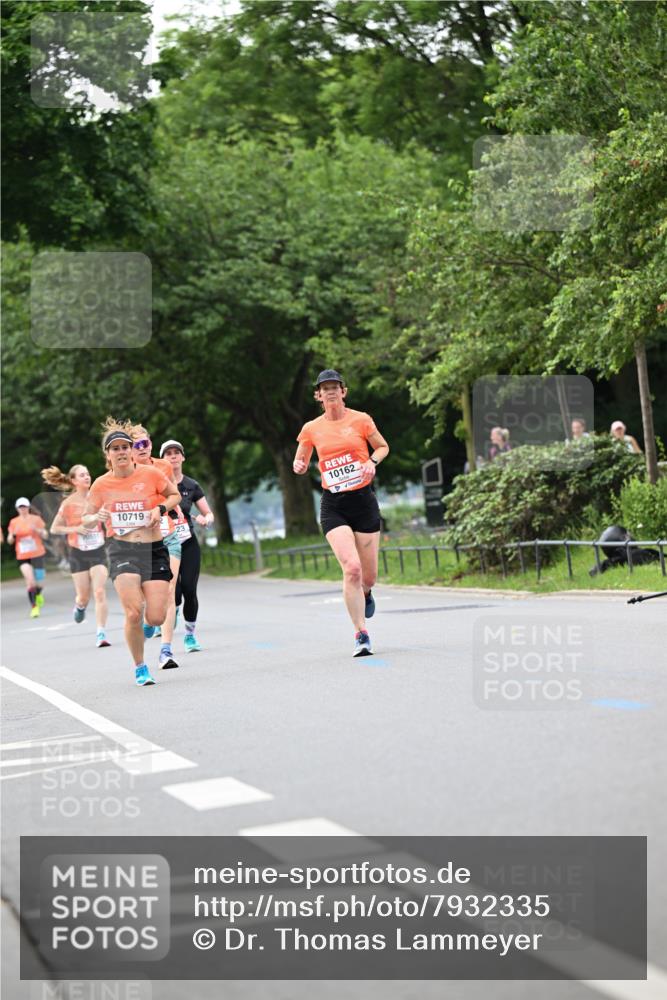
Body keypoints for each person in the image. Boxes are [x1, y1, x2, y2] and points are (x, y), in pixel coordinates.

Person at [293, 369, 389, 656]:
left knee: (368, 578)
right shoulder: (311, 428)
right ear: (318, 395)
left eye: (335, 387)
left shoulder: (361, 419)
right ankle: (361, 633)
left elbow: (383, 447)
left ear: (343, 392)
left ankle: (367, 594)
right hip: (334, 504)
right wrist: (298, 466)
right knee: (352, 568)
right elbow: (300, 459)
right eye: (325, 388)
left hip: (364, 501)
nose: (331, 391)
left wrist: (372, 461)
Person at [82, 422, 180, 686]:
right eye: (116, 449)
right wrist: (96, 516)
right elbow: (86, 519)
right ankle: (140, 667)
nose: (122, 452)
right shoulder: (102, 484)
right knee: (134, 612)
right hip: (122, 548)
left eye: (126, 447)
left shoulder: (150, 474)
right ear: (108, 455)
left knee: (156, 616)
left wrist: (159, 509)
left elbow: (174, 496)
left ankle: (148, 628)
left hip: (154, 548)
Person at [129, 423, 182, 670]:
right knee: (145, 599)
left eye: (146, 443)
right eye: (137, 445)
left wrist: (170, 512)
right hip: (140, 540)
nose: (142, 448)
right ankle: (151, 622)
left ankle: (166, 651)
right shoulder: (124, 471)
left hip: (167, 533)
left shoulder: (162, 466)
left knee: (170, 589)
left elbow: (172, 495)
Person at [42, 464, 111, 647]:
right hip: (78, 553)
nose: (87, 477)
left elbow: (107, 518)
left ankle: (101, 633)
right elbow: (55, 528)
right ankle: (80, 606)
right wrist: (76, 528)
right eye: (82, 475)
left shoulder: (98, 498)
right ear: (73, 481)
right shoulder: (68, 504)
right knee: (83, 596)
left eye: (88, 474)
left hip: (98, 550)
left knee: (99, 591)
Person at [160, 439, 215, 652]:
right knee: (173, 591)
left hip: (188, 542)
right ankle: (170, 614)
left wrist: (206, 519)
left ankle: (190, 635)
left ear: (183, 457)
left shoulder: (191, 485)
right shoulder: (159, 485)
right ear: (162, 459)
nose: (173, 456)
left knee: (189, 589)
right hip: (165, 543)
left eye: (176, 453)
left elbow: (207, 512)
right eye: (168, 453)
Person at [7, 498, 48, 618]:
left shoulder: (36, 519)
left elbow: (45, 534)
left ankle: (39, 594)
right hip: (23, 555)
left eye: (24, 506)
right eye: (20, 507)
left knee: (40, 583)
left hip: (37, 554)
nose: (23, 509)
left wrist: (37, 530)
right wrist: (13, 535)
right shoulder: (14, 522)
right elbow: (9, 540)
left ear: (28, 507)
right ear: (17, 509)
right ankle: (34, 608)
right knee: (30, 582)